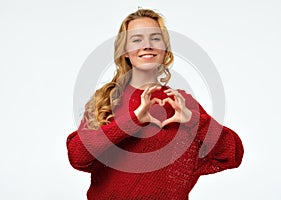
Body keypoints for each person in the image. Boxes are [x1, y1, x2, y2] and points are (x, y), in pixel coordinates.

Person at [67, 8, 244, 200]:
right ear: (125, 51)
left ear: (165, 49)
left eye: (155, 38)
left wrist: (194, 121)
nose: (147, 45)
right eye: (136, 40)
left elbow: (232, 154)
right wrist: (132, 121)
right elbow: (77, 156)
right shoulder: (106, 101)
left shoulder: (179, 103)